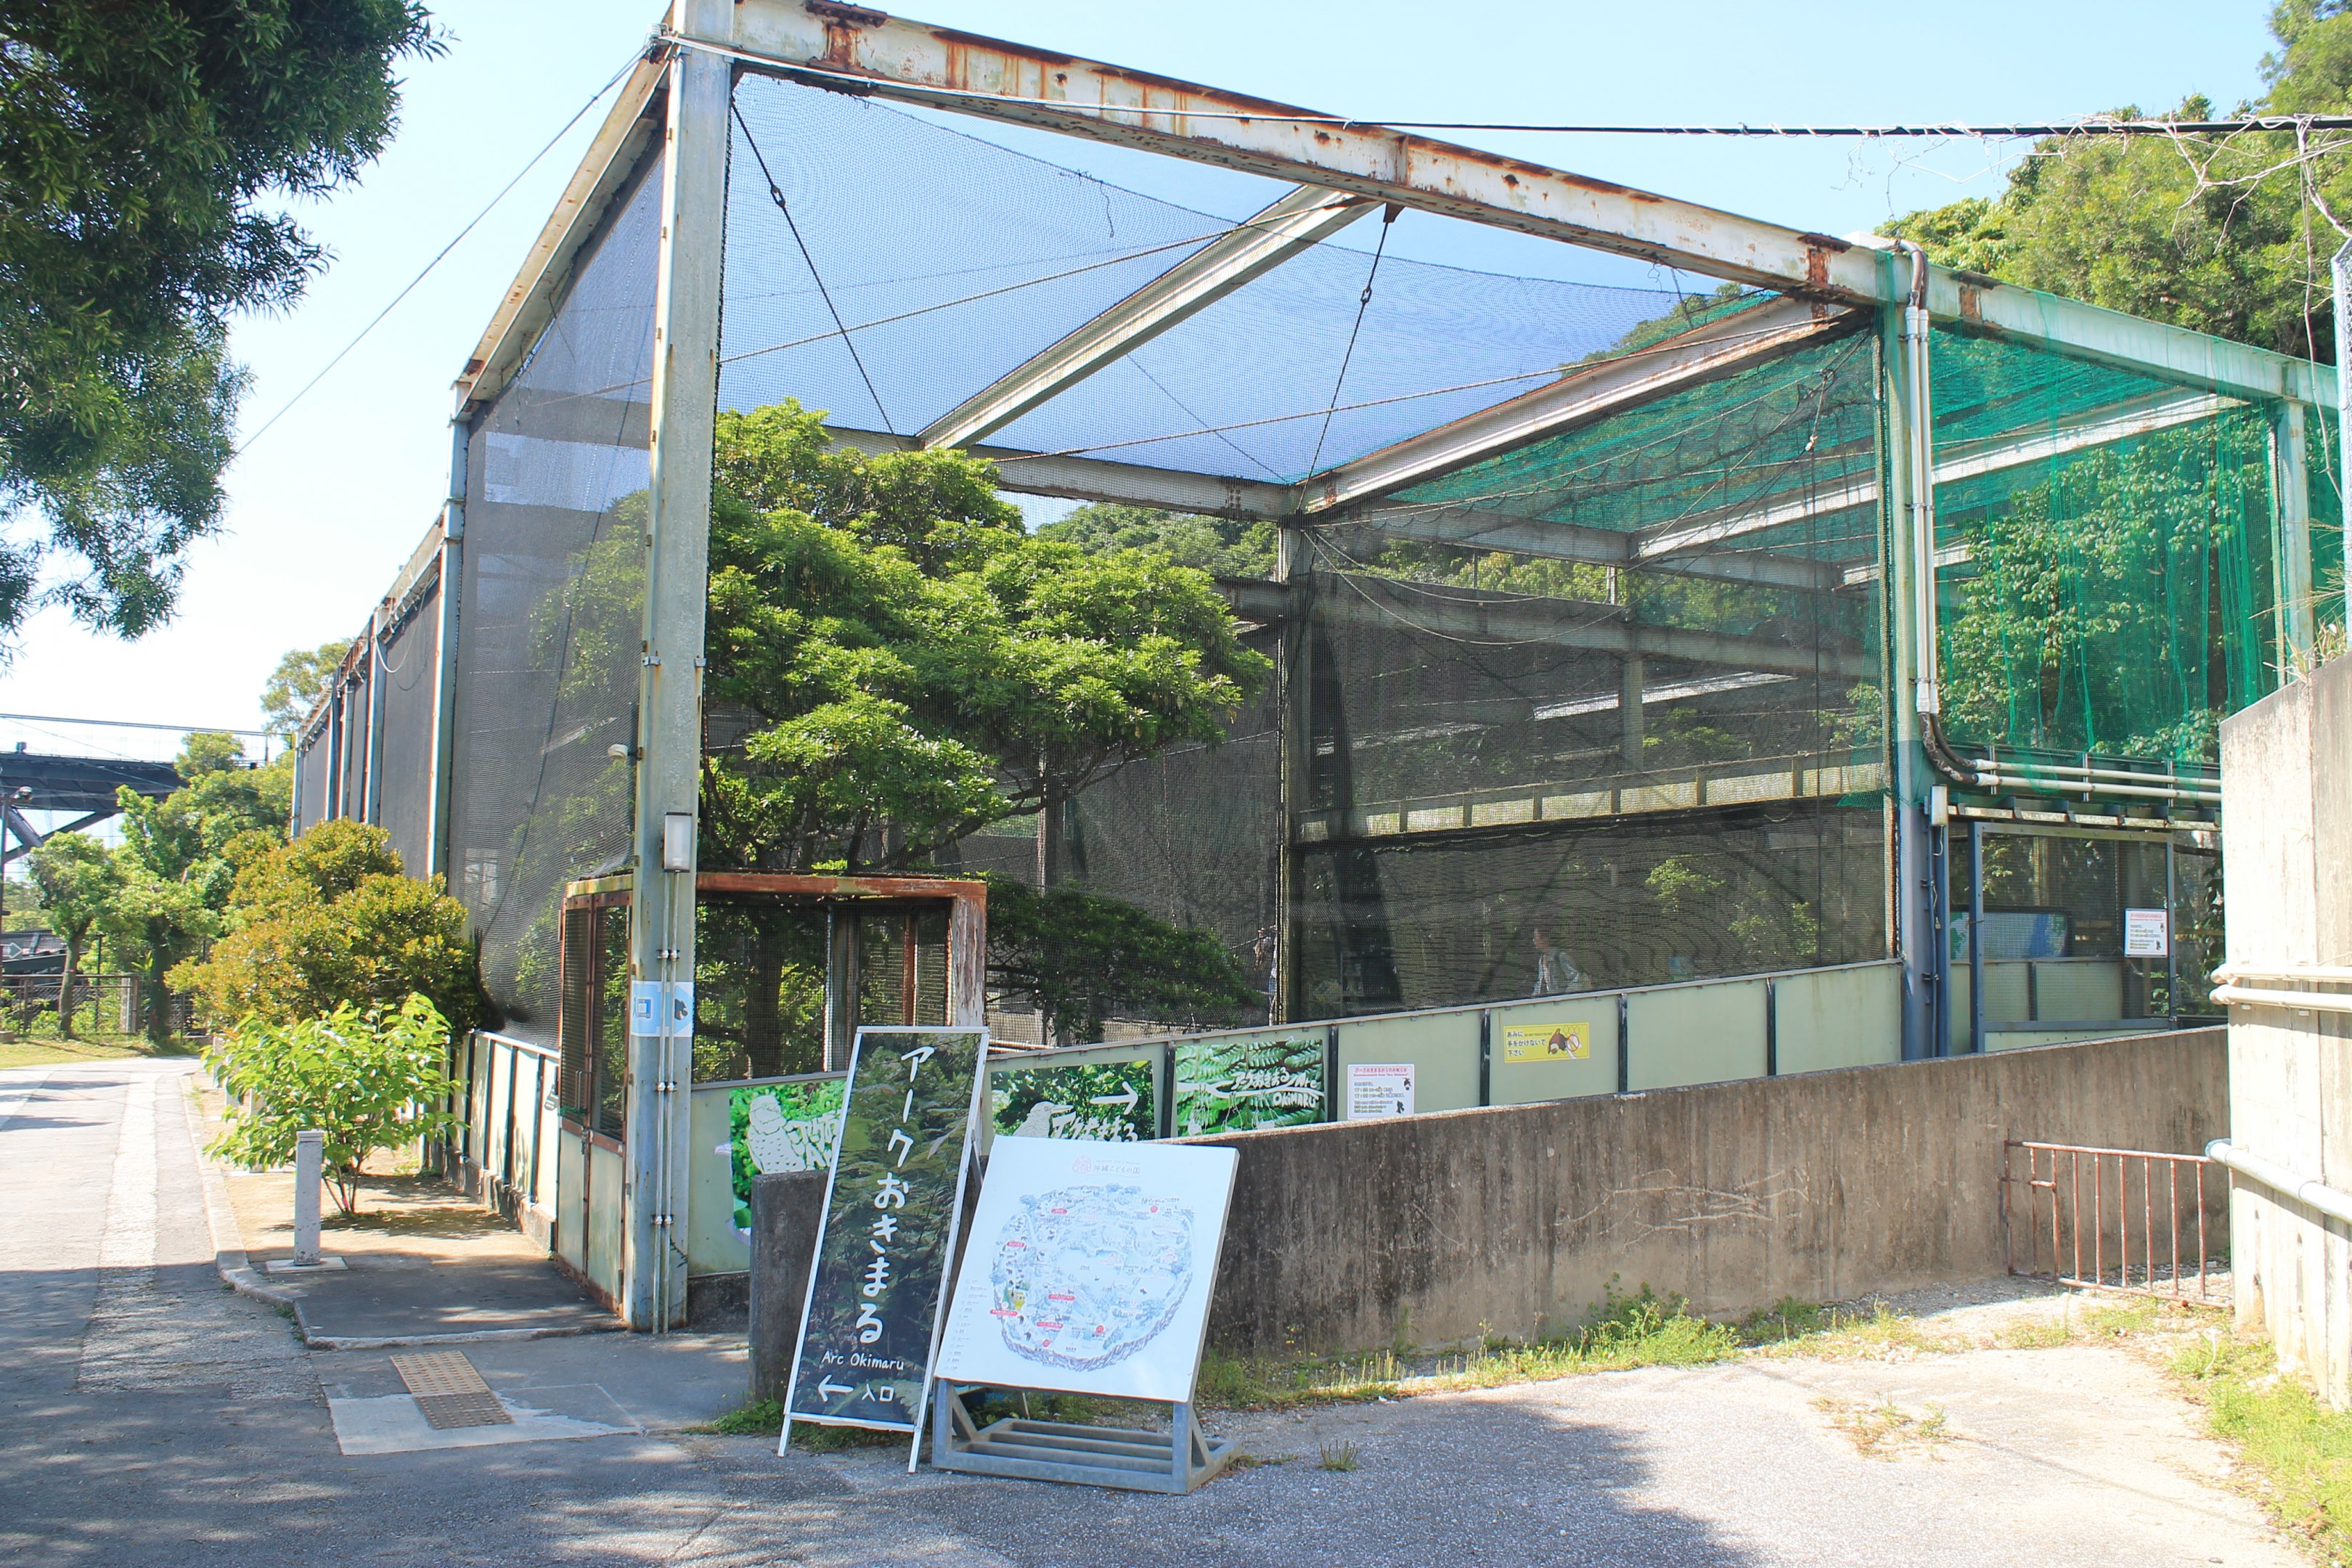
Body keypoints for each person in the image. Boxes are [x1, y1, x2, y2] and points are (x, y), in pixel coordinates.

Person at [1530, 924, 1588, 996]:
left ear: (1545, 940)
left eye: (1536, 938)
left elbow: (1578, 979)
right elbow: (1539, 984)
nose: (1533, 941)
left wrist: (1565, 996)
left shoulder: (1561, 956)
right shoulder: (1541, 960)